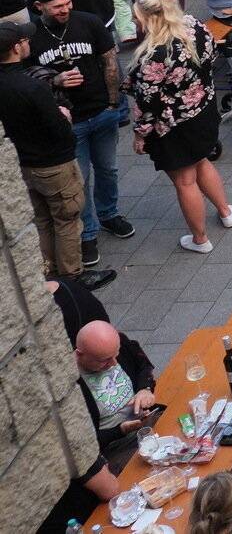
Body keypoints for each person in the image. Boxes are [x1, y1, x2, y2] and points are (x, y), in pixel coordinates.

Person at [29, 0, 130, 267]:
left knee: (108, 169)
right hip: (70, 121)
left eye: (68, 3)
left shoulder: (89, 22)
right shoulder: (34, 36)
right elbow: (28, 76)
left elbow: (110, 62)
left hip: (101, 111)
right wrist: (56, 80)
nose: (65, 9)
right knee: (79, 180)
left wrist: (113, 103)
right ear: (39, 7)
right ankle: (88, 233)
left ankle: (109, 213)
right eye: (57, 6)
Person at [126, 0, 232, 254]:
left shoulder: (153, 54)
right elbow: (212, 56)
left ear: (150, 19)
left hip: (174, 125)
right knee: (202, 161)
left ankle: (200, 239)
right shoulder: (194, 26)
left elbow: (147, 103)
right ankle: (225, 212)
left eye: (138, 18)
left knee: (185, 180)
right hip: (203, 110)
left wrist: (140, 134)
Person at [0, 23, 96, 281]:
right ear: (16, 47)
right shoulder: (32, 86)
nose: (29, 43)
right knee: (67, 218)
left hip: (23, 163)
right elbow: (59, 128)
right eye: (25, 40)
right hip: (53, 163)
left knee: (43, 220)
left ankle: (49, 270)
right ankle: (73, 275)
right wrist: (64, 116)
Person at [72, 316, 157, 463]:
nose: (113, 363)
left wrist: (145, 389)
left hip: (146, 423)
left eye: (116, 354)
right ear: (80, 355)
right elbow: (82, 442)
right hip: (116, 446)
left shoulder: (117, 344)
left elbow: (143, 365)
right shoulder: (72, 384)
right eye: (104, 360)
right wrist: (120, 431)